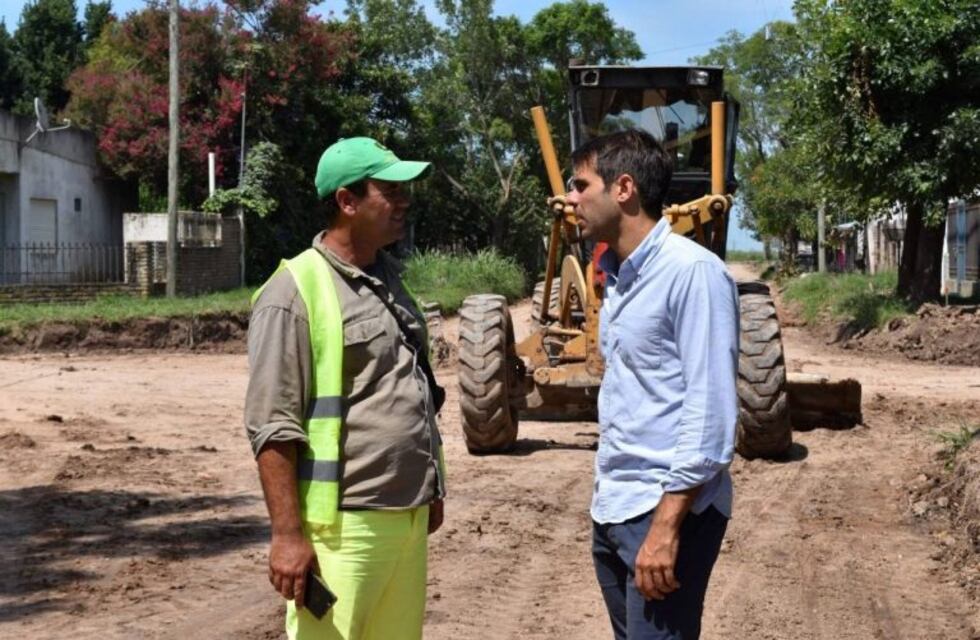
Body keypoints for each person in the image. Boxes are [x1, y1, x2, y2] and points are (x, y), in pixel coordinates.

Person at [244, 137, 446, 640]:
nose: (404, 201)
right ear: (347, 201)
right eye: (390, 190)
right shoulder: (293, 291)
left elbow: (411, 389)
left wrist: (431, 486)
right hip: (344, 527)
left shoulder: (388, 279)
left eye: (406, 190)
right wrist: (288, 535)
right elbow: (273, 424)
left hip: (408, 515)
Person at [563, 129, 738, 640]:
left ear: (622, 189)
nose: (570, 198)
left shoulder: (693, 274)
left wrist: (665, 529)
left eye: (580, 185)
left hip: (665, 513)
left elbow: (711, 416)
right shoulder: (617, 278)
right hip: (616, 506)